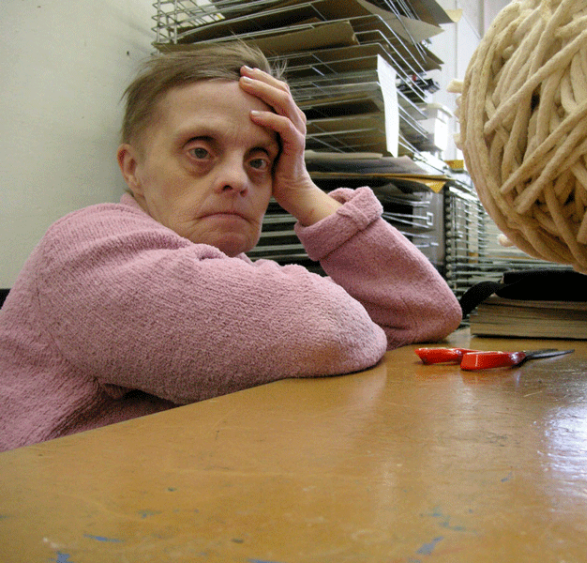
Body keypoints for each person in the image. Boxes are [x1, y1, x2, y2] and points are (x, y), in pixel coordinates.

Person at [0, 43, 462, 451]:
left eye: (259, 161)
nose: (237, 179)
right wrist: (352, 328)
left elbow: (425, 314)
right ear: (133, 168)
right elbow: (326, 327)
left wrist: (301, 188)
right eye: (200, 150)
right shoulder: (85, 247)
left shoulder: (228, 271)